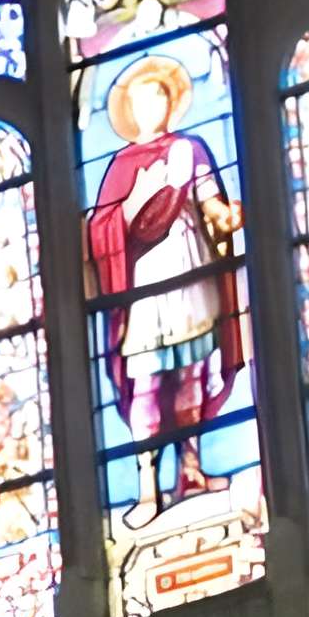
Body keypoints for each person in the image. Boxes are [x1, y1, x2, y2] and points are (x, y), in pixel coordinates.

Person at [84, 54, 244, 524]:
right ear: (130, 110)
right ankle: (148, 488)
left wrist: (226, 216)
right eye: (141, 99)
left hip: (191, 272)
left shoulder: (189, 150)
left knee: (193, 373)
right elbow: (102, 232)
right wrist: (133, 203)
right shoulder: (119, 165)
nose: (150, 106)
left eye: (158, 96)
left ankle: (191, 471)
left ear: (171, 103)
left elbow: (209, 201)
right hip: (146, 288)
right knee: (148, 386)